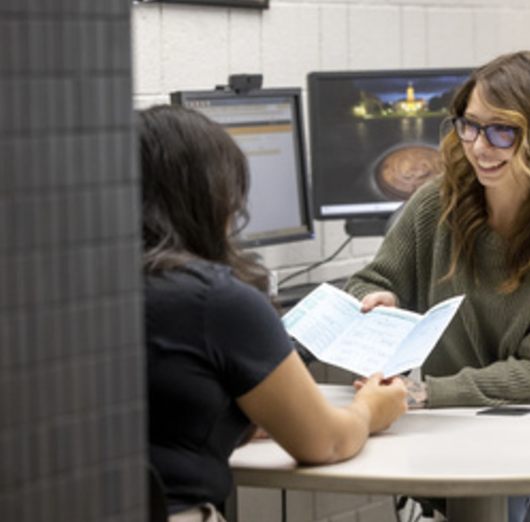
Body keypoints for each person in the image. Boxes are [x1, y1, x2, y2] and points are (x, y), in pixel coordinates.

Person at [345, 51, 530, 522]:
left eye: (502, 130)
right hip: (471, 425)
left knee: (511, 493)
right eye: (470, 125)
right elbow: (369, 281)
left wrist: (426, 393)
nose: (480, 146)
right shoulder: (433, 205)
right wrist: (377, 299)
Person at [142, 105, 408, 522]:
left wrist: (241, 420)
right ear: (212, 199)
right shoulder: (217, 301)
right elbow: (327, 444)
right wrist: (372, 408)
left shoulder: (82, 292)